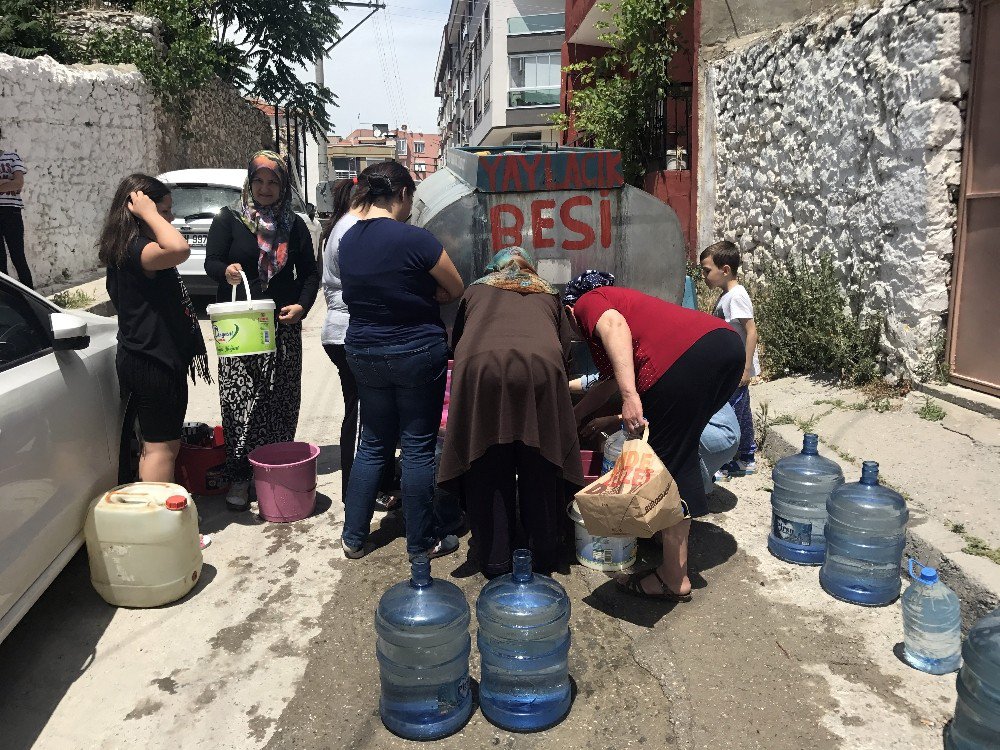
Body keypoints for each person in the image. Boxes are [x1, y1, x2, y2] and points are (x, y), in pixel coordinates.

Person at [567, 271, 743, 601]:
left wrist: (630, 397)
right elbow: (607, 381)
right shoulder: (631, 307)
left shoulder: (589, 301)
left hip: (689, 359)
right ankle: (671, 537)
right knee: (679, 454)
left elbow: (613, 327)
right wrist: (574, 417)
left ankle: (673, 578)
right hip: (726, 347)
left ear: (569, 308)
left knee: (670, 465)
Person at [338, 161, 465, 561]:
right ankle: (421, 542)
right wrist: (427, 299)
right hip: (415, 352)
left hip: (363, 350)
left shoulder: (347, 241)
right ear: (404, 195)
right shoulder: (417, 240)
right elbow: (455, 287)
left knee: (372, 444)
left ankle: (354, 537)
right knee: (417, 447)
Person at [438, 247, 584, 577]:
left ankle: (495, 559)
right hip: (541, 368)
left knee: (487, 462)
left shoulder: (475, 289)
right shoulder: (548, 291)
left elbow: (458, 340)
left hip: (481, 368)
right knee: (541, 460)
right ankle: (542, 555)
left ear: (493, 268)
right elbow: (565, 351)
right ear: (529, 268)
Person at [100, 174, 212, 547]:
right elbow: (180, 249)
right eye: (163, 212)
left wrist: (151, 214)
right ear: (137, 211)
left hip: (145, 355)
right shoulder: (138, 248)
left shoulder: (127, 246)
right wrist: (150, 212)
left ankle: (160, 525)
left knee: (159, 443)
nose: (169, 220)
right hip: (152, 360)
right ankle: (161, 532)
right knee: (160, 447)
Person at [204, 151, 319, 511]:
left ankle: (273, 468)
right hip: (240, 327)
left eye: (274, 182)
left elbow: (310, 273)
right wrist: (226, 272)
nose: (266, 188)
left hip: (282, 325)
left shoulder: (294, 224)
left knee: (280, 399)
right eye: (260, 181)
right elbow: (211, 261)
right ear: (250, 183)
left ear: (283, 187)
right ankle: (239, 475)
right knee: (241, 402)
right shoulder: (229, 219)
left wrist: (302, 306)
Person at [700, 241, 760, 476]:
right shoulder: (727, 295)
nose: (704, 276)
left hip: (736, 370)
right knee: (741, 412)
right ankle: (746, 456)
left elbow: (751, 330)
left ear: (724, 270)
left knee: (731, 415)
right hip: (730, 368)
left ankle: (726, 460)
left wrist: (745, 369)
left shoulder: (736, 296)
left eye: (707, 271)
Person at [0, 127, 32, 288]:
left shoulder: (11, 157)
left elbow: (19, 183)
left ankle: (31, 297)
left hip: (11, 211)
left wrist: (12, 183)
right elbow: (14, 183)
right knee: (0, 261)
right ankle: (8, 300)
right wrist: (7, 183)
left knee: (18, 256)